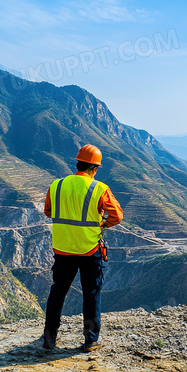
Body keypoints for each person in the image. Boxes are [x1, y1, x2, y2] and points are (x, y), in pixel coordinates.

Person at [42, 144, 123, 352]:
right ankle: (90, 340)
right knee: (91, 294)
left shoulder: (57, 185)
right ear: (95, 168)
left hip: (62, 248)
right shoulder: (99, 189)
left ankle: (49, 339)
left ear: (77, 163)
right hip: (88, 249)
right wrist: (102, 223)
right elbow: (117, 216)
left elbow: (48, 211)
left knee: (57, 293)